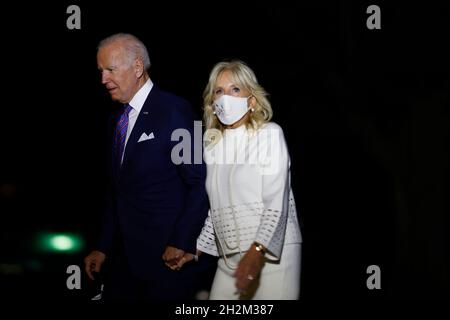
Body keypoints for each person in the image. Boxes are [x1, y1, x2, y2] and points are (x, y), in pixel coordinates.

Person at [84, 33, 209, 300]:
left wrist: (181, 240)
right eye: (101, 71)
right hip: (123, 261)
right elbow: (117, 190)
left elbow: (200, 181)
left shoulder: (177, 110)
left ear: (138, 67)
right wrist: (103, 247)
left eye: (110, 70)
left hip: (168, 261)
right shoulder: (116, 121)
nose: (103, 79)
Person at [176, 60, 302, 299]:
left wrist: (256, 252)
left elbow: (277, 203)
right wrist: (196, 249)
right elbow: (217, 210)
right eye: (219, 90)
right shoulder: (211, 146)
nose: (226, 97)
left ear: (251, 100)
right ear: (212, 103)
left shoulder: (269, 134)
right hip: (229, 260)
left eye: (235, 89)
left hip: (272, 256)